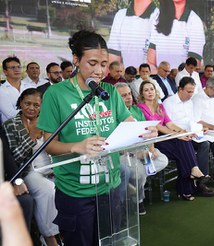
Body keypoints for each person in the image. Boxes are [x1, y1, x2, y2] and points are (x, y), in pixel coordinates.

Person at [37, 30, 157, 246]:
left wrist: (145, 131)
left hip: (110, 187)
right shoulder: (56, 95)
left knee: (110, 241)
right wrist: (77, 146)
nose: (99, 70)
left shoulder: (109, 91)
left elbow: (129, 124)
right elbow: (49, 145)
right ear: (76, 60)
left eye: (103, 64)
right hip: (76, 192)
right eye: (92, 63)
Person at [137, 80, 214, 200]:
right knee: (182, 145)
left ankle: (191, 176)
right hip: (155, 140)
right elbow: (158, 126)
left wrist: (183, 132)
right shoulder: (140, 108)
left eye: (152, 89)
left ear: (155, 91)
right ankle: (188, 182)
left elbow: (169, 123)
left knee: (184, 143)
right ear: (142, 94)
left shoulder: (160, 106)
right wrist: (176, 134)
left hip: (167, 138)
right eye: (146, 90)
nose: (150, 92)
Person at [3, 88, 60, 246]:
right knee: (48, 190)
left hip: (53, 167)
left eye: (36, 105)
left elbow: (57, 146)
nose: (31, 108)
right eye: (27, 103)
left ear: (42, 106)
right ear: (20, 102)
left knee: (68, 185)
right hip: (28, 171)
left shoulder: (47, 121)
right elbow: (13, 158)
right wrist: (32, 137)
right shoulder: (10, 126)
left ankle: (64, 231)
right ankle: (50, 237)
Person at [163, 77, 214, 188]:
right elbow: (168, 124)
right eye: (188, 91)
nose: (191, 95)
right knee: (205, 144)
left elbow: (193, 121)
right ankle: (202, 180)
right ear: (180, 89)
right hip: (178, 136)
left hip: (193, 133)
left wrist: (201, 128)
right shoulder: (169, 102)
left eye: (192, 91)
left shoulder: (189, 103)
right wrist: (183, 132)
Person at [115, 82, 168, 214]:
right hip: (125, 154)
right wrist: (135, 155)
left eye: (129, 94)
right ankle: (138, 200)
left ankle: (132, 186)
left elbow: (148, 131)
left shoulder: (136, 110)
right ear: (115, 98)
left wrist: (151, 148)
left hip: (143, 149)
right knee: (139, 173)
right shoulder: (113, 115)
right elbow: (116, 145)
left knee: (163, 160)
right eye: (123, 96)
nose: (128, 97)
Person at [147, 0, 205, 73]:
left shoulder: (194, 21)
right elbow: (151, 62)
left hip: (183, 79)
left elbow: (193, 65)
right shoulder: (157, 18)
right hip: (161, 78)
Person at [107, 0, 159, 68]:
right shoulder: (120, 15)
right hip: (124, 76)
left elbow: (154, 68)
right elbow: (113, 62)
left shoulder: (160, 17)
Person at [0, 57, 30, 123]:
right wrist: (32, 112)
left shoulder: (30, 86)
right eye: (13, 68)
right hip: (12, 129)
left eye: (19, 67)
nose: (17, 70)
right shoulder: (2, 90)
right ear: (5, 72)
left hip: (33, 127)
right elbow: (10, 114)